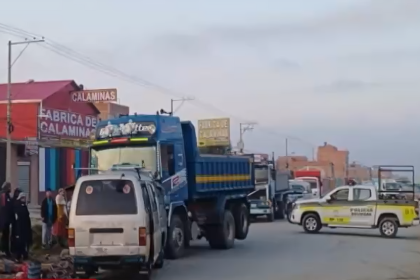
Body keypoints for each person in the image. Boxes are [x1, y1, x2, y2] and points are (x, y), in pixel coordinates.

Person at [13, 192, 32, 261]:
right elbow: (18, 216)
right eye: (23, 197)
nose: (24, 199)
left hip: (25, 226)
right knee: (19, 242)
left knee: (24, 241)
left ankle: (24, 254)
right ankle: (18, 256)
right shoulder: (18, 205)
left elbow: (27, 215)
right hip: (20, 226)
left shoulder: (24, 205)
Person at [0, 182, 15, 257]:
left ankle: (6, 251)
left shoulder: (8, 195)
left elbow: (10, 207)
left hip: (7, 221)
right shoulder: (3, 195)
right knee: (3, 236)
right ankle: (3, 250)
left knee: (6, 236)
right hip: (3, 221)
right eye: (9, 187)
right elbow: (3, 209)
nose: (10, 188)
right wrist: (4, 221)